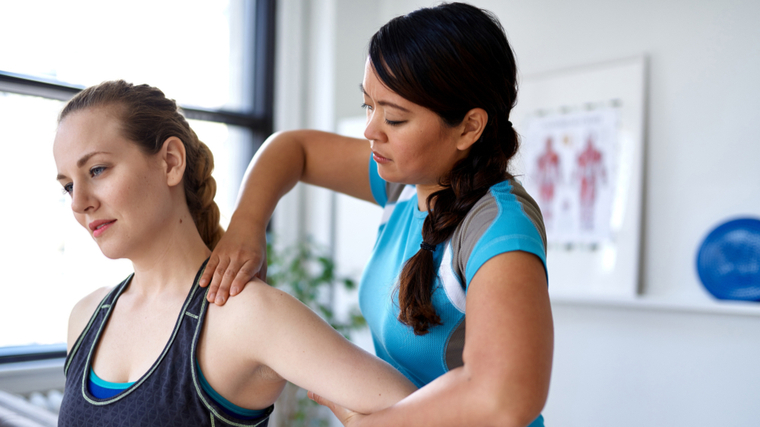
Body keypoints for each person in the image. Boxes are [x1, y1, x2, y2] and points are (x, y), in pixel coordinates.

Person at [200, 3, 554, 426]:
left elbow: (507, 398)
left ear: (469, 128)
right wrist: (246, 226)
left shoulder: (497, 226)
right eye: (368, 106)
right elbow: (292, 149)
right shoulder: (406, 182)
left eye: (395, 117)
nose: (371, 129)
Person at [53, 80, 416, 427]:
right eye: (68, 186)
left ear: (171, 161)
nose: (80, 202)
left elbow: (425, 413)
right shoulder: (85, 318)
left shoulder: (246, 315)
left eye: (97, 170)